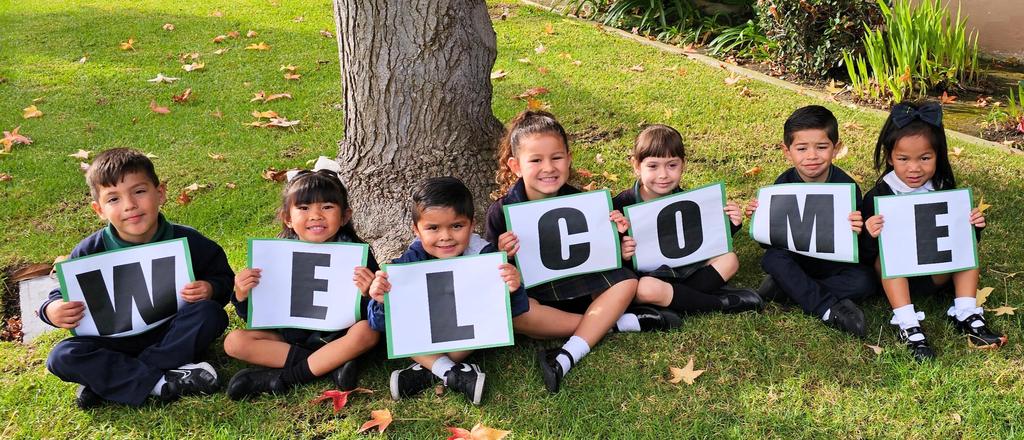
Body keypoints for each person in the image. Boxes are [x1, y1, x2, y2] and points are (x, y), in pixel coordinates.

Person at [486, 110, 678, 394]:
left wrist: (617, 233)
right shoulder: (501, 211)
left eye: (556, 158)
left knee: (626, 281)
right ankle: (613, 324)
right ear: (515, 165)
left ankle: (567, 353)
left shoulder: (582, 200)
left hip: (583, 289)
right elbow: (493, 272)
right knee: (512, 315)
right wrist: (504, 253)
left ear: (569, 158)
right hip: (540, 300)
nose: (548, 168)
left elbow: (607, 255)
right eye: (536, 160)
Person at [40, 148, 233, 409]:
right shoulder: (88, 251)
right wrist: (52, 310)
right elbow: (60, 294)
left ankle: (111, 380)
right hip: (112, 343)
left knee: (210, 314)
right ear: (99, 209)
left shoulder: (188, 240)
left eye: (139, 192)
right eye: (113, 199)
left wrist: (210, 288)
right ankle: (161, 382)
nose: (129, 205)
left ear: (160, 193)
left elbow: (223, 277)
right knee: (62, 356)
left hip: (171, 334)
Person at [862, 101, 1006, 361]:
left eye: (925, 158)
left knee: (964, 245)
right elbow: (864, 254)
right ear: (889, 156)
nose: (914, 168)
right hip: (897, 278)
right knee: (885, 259)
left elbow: (957, 238)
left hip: (936, 273)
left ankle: (966, 313)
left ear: (938, 155)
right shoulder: (879, 194)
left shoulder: (943, 187)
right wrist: (869, 232)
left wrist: (972, 226)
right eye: (903, 159)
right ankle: (908, 323)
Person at [223, 166, 380, 399]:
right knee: (234, 342)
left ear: (345, 216)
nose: (316, 215)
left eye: (327, 207)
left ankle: (285, 378)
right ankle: (329, 365)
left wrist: (369, 293)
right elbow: (260, 317)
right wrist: (242, 295)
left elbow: (375, 314)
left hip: (339, 337)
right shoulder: (273, 255)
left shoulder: (358, 254)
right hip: (290, 340)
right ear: (287, 218)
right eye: (304, 208)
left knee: (367, 332)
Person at [366, 177, 525, 405]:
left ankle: (429, 370)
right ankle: (453, 373)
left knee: (487, 315)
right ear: (417, 231)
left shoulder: (485, 256)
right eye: (433, 228)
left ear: (472, 224)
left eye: (456, 226)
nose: (445, 237)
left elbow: (514, 313)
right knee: (399, 323)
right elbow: (379, 325)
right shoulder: (408, 263)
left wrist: (513, 289)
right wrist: (381, 301)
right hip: (426, 329)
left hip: (467, 331)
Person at [746, 105, 875, 337]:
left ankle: (789, 289)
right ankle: (826, 308)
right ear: (787, 152)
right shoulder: (783, 184)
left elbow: (856, 248)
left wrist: (859, 229)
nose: (812, 156)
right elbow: (770, 243)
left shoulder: (847, 187)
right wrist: (762, 221)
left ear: (835, 149)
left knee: (866, 280)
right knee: (773, 258)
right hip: (796, 259)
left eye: (822, 147)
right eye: (802, 148)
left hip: (833, 265)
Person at [614, 124, 762, 315]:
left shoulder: (688, 201)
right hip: (647, 278)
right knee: (645, 288)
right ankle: (719, 304)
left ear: (682, 164)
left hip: (684, 271)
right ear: (636, 166)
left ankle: (675, 302)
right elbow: (609, 259)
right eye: (653, 166)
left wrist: (731, 225)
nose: (663, 175)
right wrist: (624, 254)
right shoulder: (619, 205)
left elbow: (705, 238)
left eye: (672, 165)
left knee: (730, 259)